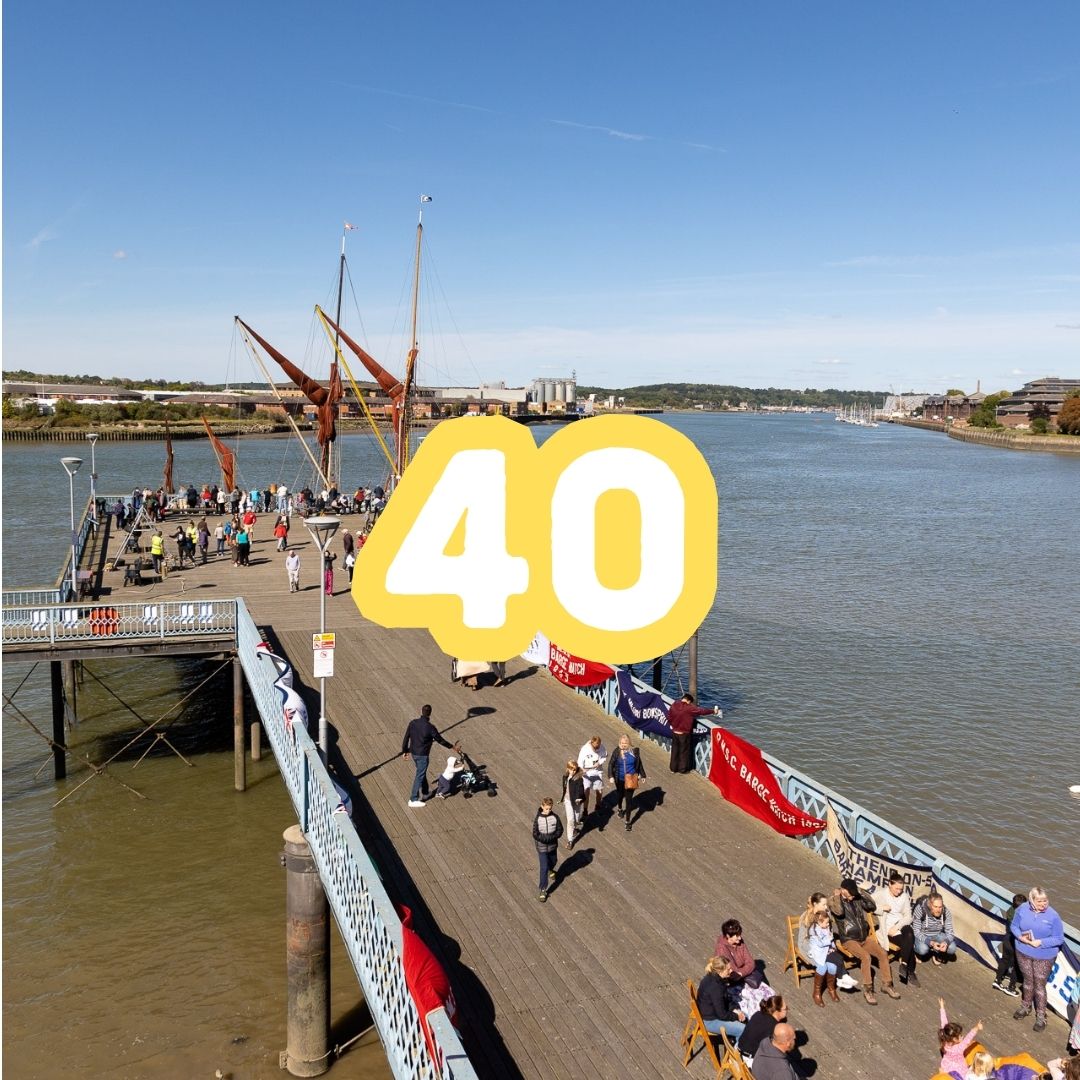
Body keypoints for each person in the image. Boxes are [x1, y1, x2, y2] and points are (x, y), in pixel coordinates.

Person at [829, 878, 900, 1004]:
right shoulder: (834, 900)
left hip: (863, 937)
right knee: (866, 957)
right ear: (843, 890)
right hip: (849, 939)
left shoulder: (856, 898)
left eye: (853, 894)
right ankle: (868, 990)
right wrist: (837, 896)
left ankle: (887, 985)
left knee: (883, 953)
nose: (852, 897)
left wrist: (861, 893)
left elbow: (871, 906)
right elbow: (839, 912)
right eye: (850, 894)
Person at [1011, 886, 1065, 1033]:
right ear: (1031, 900)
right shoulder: (1022, 909)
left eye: (1045, 900)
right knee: (1028, 981)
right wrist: (1020, 937)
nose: (1043, 904)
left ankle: (1041, 1016)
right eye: (1039, 901)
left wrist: (1041, 942)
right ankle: (1025, 1006)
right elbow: (1014, 926)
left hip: (1044, 956)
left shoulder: (1053, 916)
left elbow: (1059, 939)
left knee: (1039, 985)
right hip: (1023, 951)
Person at [873, 871, 919, 987]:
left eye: (901, 889)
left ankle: (903, 963)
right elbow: (867, 903)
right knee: (908, 943)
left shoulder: (904, 896)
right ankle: (911, 971)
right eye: (897, 888)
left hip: (900, 924)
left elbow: (908, 916)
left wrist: (897, 926)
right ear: (890, 884)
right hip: (887, 927)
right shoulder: (882, 894)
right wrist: (881, 907)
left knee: (909, 933)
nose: (899, 891)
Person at [401, 705, 453, 808]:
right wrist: (451, 747)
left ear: (421, 711)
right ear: (430, 713)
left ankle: (425, 792)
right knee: (419, 775)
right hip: (423, 755)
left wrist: (405, 751)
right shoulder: (430, 727)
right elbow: (440, 740)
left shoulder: (413, 723)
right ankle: (413, 799)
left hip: (414, 753)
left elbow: (406, 737)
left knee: (421, 772)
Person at [696, 956, 746, 1043]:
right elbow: (722, 1015)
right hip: (710, 1021)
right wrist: (736, 1016)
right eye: (728, 969)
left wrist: (735, 1009)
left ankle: (734, 1041)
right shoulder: (716, 987)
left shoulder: (712, 977)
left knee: (744, 1016)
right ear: (720, 971)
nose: (731, 971)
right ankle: (736, 1054)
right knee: (743, 1030)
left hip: (709, 1013)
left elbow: (725, 999)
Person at [666, 693, 716, 773]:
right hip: (684, 732)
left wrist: (672, 724)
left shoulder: (674, 704)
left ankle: (673, 768)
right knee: (684, 751)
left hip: (675, 731)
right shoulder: (689, 708)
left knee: (675, 751)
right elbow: (702, 711)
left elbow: (668, 716)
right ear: (689, 701)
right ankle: (682, 769)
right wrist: (713, 711)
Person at [805, 909, 845, 1006]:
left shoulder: (826, 927)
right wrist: (830, 939)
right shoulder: (814, 930)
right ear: (819, 922)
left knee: (833, 967)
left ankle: (831, 988)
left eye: (828, 923)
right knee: (822, 968)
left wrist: (833, 948)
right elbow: (820, 943)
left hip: (827, 952)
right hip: (818, 952)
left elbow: (831, 942)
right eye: (826, 923)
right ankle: (816, 992)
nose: (828, 925)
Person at [608, 734, 645, 832]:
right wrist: (611, 776)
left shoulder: (634, 752)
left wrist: (642, 775)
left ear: (629, 743)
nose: (624, 745)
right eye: (622, 743)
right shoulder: (617, 752)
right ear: (619, 743)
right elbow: (611, 764)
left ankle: (628, 821)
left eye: (626, 743)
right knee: (620, 795)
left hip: (631, 778)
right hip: (619, 778)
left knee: (629, 800)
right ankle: (620, 808)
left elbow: (639, 763)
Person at [938, 996, 984, 1076]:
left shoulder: (945, 1038)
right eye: (960, 1036)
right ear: (955, 1039)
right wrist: (977, 1027)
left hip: (946, 1066)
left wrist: (942, 1007)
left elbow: (944, 1023)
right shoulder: (959, 1048)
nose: (962, 1036)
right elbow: (968, 1038)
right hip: (958, 1070)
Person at [993, 893, 1028, 997]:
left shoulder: (1010, 911)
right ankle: (1011, 987)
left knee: (1004, 960)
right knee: (1016, 965)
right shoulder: (1020, 916)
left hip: (1006, 939)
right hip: (1015, 943)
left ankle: (997, 980)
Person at [737, 995, 787, 1066]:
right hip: (747, 1061)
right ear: (777, 1011)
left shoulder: (758, 1014)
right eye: (785, 1009)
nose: (787, 1010)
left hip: (737, 1051)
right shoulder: (774, 1027)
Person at [914, 892, 958, 966]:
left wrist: (946, 942)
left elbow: (950, 932)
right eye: (935, 906)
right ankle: (915, 951)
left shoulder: (945, 912)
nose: (938, 910)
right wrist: (930, 942)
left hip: (937, 934)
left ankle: (937, 953)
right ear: (929, 905)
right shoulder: (920, 909)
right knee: (923, 950)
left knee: (952, 948)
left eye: (940, 907)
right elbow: (916, 931)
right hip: (922, 934)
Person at [532, 797, 563, 901]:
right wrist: (544, 839)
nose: (548, 811)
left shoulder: (555, 817)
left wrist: (552, 837)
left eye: (550, 809)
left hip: (553, 846)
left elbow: (560, 830)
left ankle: (551, 869)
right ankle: (543, 890)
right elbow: (535, 833)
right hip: (542, 848)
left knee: (554, 861)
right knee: (543, 867)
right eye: (546, 809)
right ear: (542, 807)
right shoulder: (538, 819)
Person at [577, 736, 607, 819]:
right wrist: (583, 769)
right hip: (587, 773)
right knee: (586, 791)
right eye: (595, 747)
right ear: (591, 743)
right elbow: (579, 762)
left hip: (597, 772)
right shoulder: (585, 749)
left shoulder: (602, 747)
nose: (597, 749)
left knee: (599, 790)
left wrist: (599, 762)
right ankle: (585, 810)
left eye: (598, 746)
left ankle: (598, 805)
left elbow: (604, 756)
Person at [560, 760, 586, 849]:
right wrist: (563, 798)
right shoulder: (565, 776)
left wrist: (579, 797)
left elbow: (581, 789)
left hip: (576, 801)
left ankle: (574, 828)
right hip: (568, 801)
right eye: (572, 769)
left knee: (577, 817)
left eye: (575, 770)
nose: (573, 771)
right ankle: (570, 840)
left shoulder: (579, 778)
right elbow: (565, 788)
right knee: (570, 820)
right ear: (568, 768)